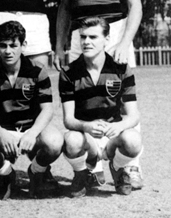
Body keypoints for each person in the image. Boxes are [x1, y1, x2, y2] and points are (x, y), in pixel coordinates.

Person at [54, 0, 143, 188]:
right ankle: (91, 167)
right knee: (84, 98)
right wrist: (59, 45)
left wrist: (124, 41)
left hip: (115, 30)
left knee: (122, 99)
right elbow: (65, 7)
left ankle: (130, 167)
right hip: (83, 33)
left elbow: (135, 6)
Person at [0, 21, 63, 199]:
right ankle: (7, 174)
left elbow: (47, 109)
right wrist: (1, 133)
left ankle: (37, 171)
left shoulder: (37, 70)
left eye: (13, 45)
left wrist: (32, 133)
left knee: (54, 142)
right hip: (3, 131)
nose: (8, 51)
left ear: (23, 46)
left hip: (31, 129)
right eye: (3, 45)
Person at [59, 17, 142, 197]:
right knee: (71, 140)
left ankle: (118, 168)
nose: (86, 42)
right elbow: (68, 120)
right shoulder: (68, 72)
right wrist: (86, 126)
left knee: (133, 140)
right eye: (83, 37)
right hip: (87, 136)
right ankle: (83, 173)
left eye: (93, 37)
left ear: (106, 39)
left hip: (113, 134)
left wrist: (118, 126)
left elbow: (133, 116)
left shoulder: (121, 69)